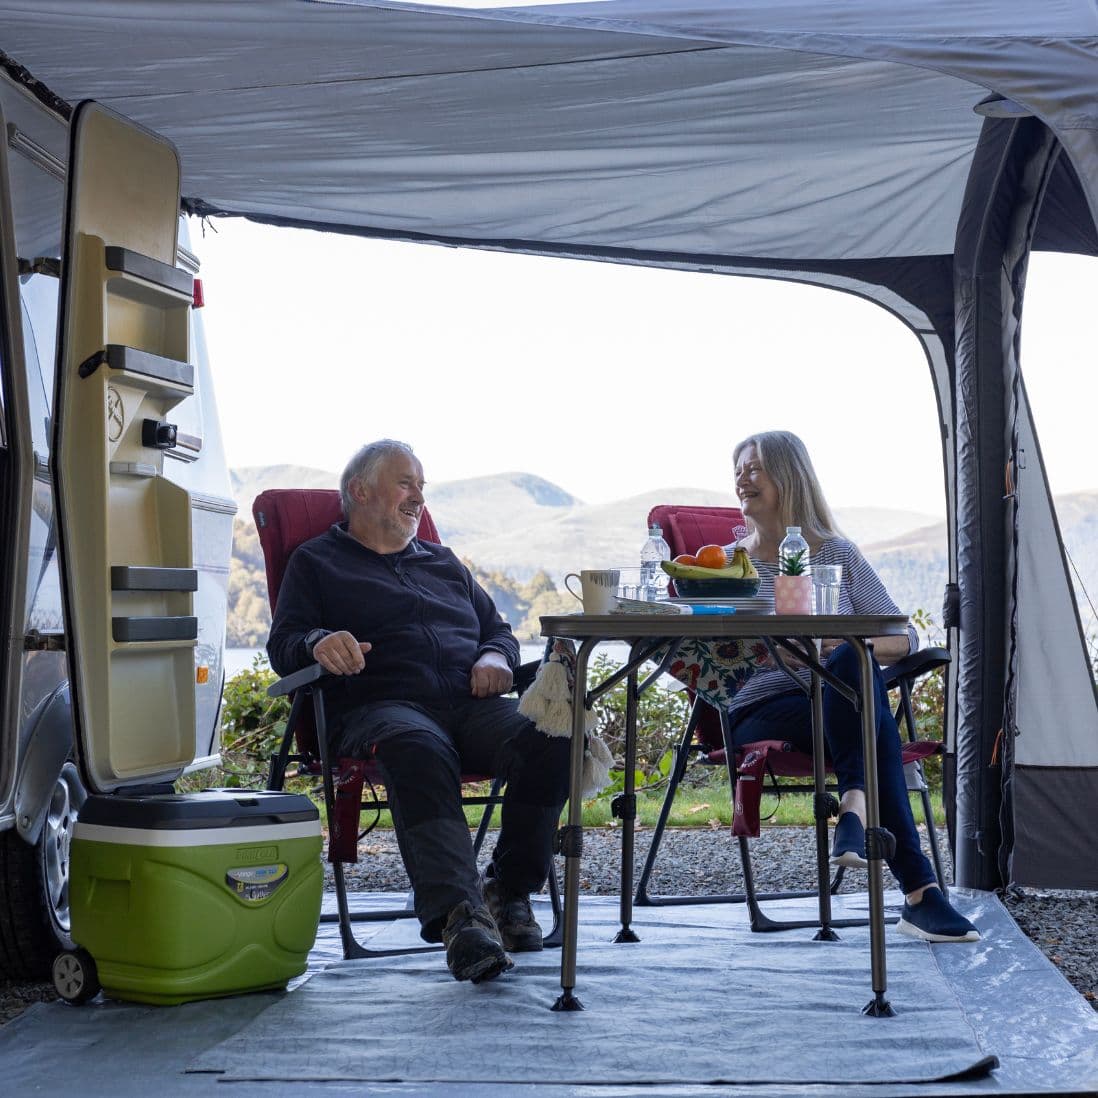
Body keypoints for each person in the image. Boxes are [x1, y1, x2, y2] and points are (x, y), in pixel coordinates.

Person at [267, 439, 571, 983]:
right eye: (407, 483)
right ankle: (461, 918)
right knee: (418, 746)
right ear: (360, 491)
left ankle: (508, 889)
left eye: (421, 487)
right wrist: (317, 642)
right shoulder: (317, 562)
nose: (418, 497)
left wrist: (494, 656)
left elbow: (499, 632)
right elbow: (284, 644)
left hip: (467, 703)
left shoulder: (444, 561)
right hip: (378, 706)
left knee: (551, 735)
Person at [726, 430, 979, 943]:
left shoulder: (835, 553)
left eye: (755, 468)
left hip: (837, 699)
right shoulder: (728, 563)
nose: (742, 478)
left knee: (850, 659)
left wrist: (840, 639)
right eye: (739, 468)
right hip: (766, 707)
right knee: (870, 713)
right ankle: (920, 891)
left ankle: (856, 807)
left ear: (788, 476)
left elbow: (901, 636)